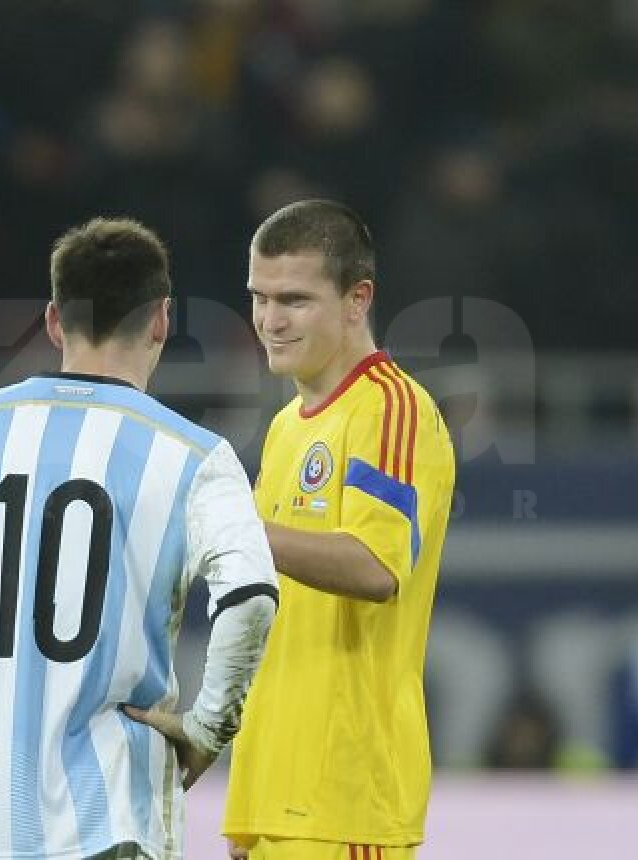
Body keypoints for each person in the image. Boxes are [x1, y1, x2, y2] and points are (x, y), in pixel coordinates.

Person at [0, 217, 279, 860]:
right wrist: (211, 727)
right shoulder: (194, 457)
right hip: (110, 823)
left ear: (52, 320)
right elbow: (252, 596)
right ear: (162, 320)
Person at [220, 201, 455, 860]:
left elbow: (375, 568)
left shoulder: (393, 408)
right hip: (273, 796)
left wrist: (234, 525)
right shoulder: (286, 427)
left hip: (346, 800)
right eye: (260, 297)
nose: (270, 320)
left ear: (358, 299)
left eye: (294, 299)